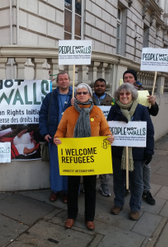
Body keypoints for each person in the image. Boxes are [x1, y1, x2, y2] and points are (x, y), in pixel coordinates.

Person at [54, 83, 114, 230]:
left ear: (89, 95)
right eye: (79, 93)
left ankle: (89, 218)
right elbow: (60, 129)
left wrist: (108, 136)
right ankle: (71, 216)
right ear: (76, 96)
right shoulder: (69, 112)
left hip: (91, 158)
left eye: (84, 93)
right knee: (72, 188)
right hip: (74, 157)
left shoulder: (97, 111)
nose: (81, 95)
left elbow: (105, 129)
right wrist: (57, 138)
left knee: (90, 188)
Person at [107, 83, 154, 220]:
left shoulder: (141, 110)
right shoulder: (114, 109)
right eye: (121, 94)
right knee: (118, 179)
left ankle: (135, 207)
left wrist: (149, 151)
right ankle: (118, 203)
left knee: (137, 182)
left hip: (137, 153)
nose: (124, 96)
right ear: (118, 96)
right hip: (117, 151)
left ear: (133, 95)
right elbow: (107, 129)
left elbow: (149, 132)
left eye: (127, 94)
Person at [123, 69, 158, 205]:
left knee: (144, 165)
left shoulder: (144, 93)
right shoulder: (121, 93)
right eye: (125, 77)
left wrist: (153, 103)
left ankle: (146, 190)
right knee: (126, 161)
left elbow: (154, 112)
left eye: (130, 77)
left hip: (140, 135)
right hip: (125, 134)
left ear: (135, 79)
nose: (128, 79)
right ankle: (127, 186)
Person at [39, 71, 73, 203]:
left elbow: (88, 111)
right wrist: (45, 133)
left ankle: (67, 191)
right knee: (55, 165)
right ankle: (55, 190)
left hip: (71, 138)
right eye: (61, 79)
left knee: (69, 166)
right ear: (57, 82)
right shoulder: (50, 96)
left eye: (66, 79)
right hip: (55, 137)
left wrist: (77, 104)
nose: (63, 81)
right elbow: (42, 115)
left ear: (69, 80)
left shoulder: (77, 95)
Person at [92, 78, 114, 197]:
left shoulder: (111, 100)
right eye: (97, 86)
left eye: (102, 86)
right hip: (91, 135)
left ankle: (104, 185)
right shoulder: (88, 99)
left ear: (105, 87)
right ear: (94, 87)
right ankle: (89, 185)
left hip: (104, 136)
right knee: (91, 161)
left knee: (104, 163)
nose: (99, 87)